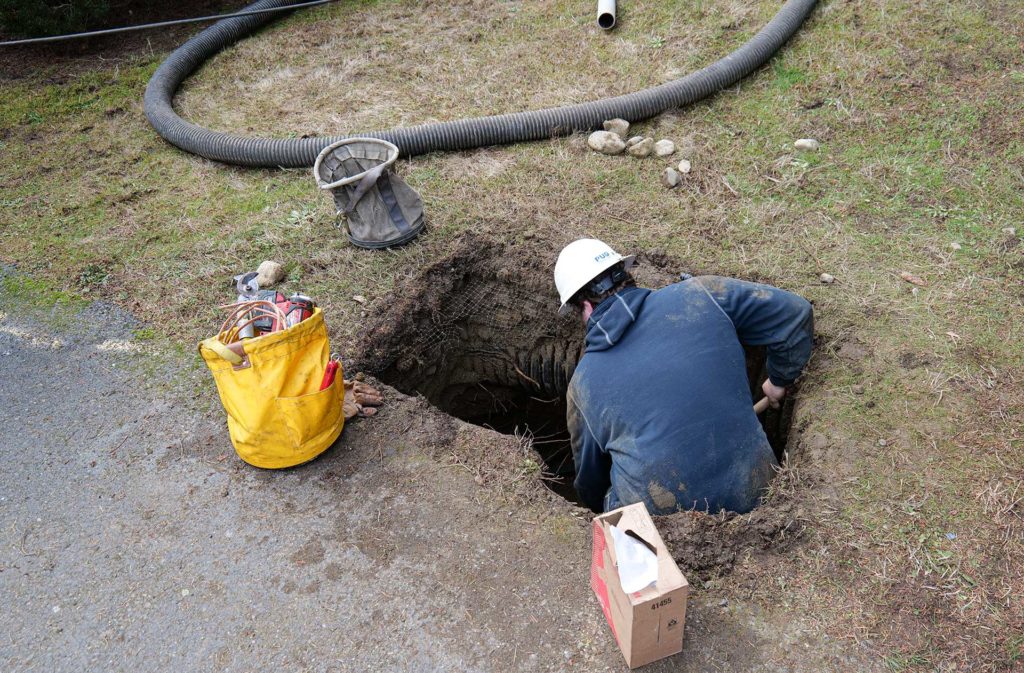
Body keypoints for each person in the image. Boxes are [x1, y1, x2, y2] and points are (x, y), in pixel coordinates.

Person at [554, 238, 814, 515]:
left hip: (663, 524)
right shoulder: (701, 294)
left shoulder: (582, 384)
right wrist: (778, 380)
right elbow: (795, 313)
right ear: (626, 275)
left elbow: (590, 483)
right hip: (755, 488)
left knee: (608, 492)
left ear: (586, 308)